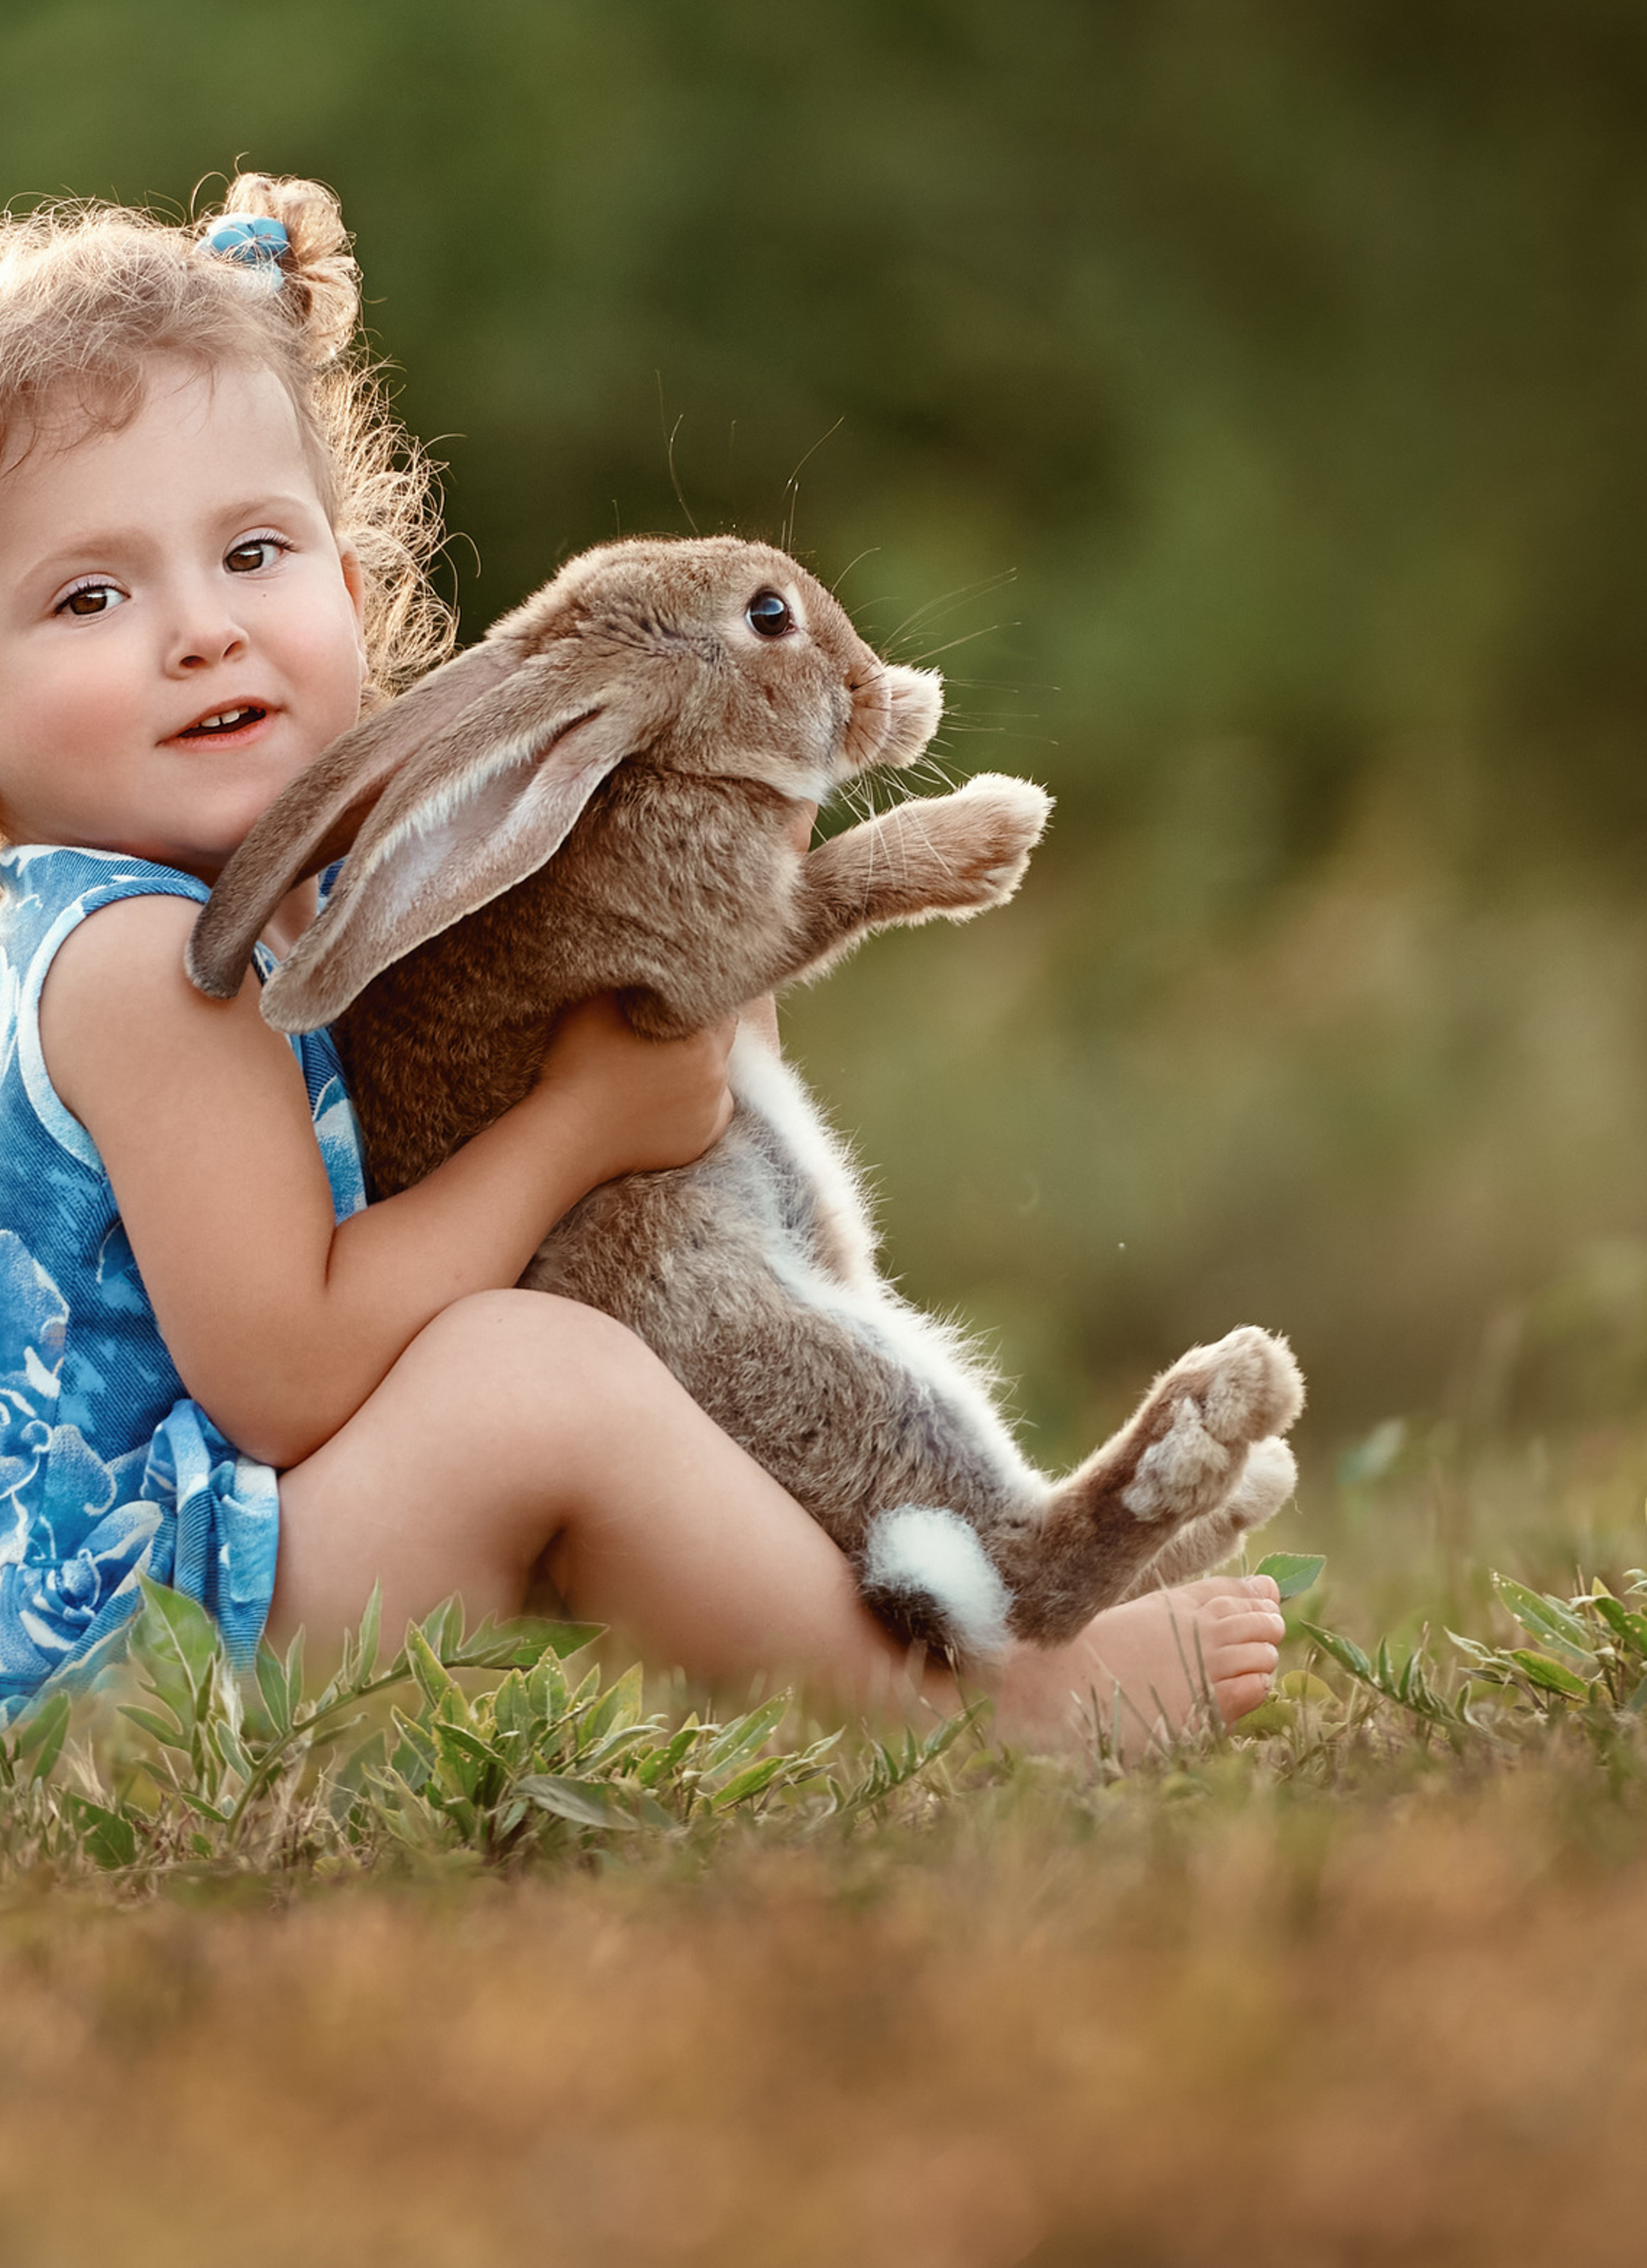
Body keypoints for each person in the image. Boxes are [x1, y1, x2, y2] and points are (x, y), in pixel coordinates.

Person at [0, 176, 1284, 1748]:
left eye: (254, 553)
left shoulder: (289, 905)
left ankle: (975, 1573)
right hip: (124, 1669)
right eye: (89, 594)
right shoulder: (139, 963)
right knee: (527, 1373)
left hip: (225, 1577)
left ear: (351, 589)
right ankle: (979, 1712)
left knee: (620, 1311)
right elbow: (290, 1369)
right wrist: (575, 1133)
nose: (200, 630)